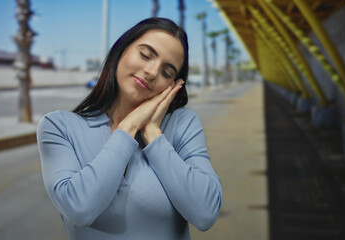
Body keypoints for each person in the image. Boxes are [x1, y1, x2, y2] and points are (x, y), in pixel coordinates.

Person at [37, 17, 222, 240]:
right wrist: (129, 127)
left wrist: (153, 134)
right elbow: (80, 209)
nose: (152, 72)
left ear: (173, 86)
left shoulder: (183, 123)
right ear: (121, 51)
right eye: (145, 55)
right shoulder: (60, 127)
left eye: (167, 72)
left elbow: (205, 213)